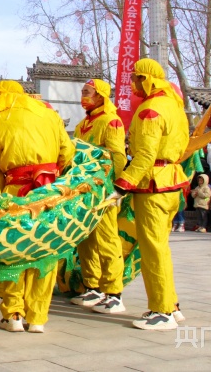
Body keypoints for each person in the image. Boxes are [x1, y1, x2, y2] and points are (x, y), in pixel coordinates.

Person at [0, 80, 75, 334]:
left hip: (15, 190)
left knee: (13, 250)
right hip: (49, 192)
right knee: (46, 251)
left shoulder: (1, 117)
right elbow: (67, 151)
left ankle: (14, 314)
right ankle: (38, 317)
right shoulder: (50, 115)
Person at [113, 58, 190, 331]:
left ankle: (162, 311)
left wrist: (122, 184)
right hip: (170, 182)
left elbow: (145, 154)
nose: (132, 83)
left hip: (153, 184)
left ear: (146, 79)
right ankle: (171, 305)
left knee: (153, 250)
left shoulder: (150, 110)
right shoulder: (174, 106)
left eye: (135, 78)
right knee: (160, 248)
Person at [70, 79, 128, 314]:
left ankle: (114, 292)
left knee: (107, 239)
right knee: (85, 239)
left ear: (100, 96)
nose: (83, 96)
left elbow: (118, 156)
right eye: (82, 92)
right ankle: (92, 286)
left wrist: (116, 186)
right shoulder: (82, 124)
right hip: (84, 189)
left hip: (103, 188)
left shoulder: (111, 121)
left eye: (87, 92)